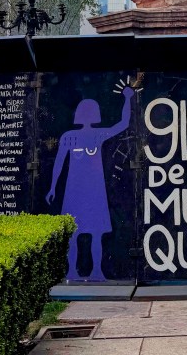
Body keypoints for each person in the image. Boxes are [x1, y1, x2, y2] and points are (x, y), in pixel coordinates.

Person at [46, 85, 134, 282]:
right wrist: (52, 187)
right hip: (79, 191)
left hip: (89, 190)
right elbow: (59, 163)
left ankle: (92, 272)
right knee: (82, 233)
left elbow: (123, 124)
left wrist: (128, 99)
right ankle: (76, 271)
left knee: (91, 233)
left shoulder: (90, 135)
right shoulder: (72, 137)